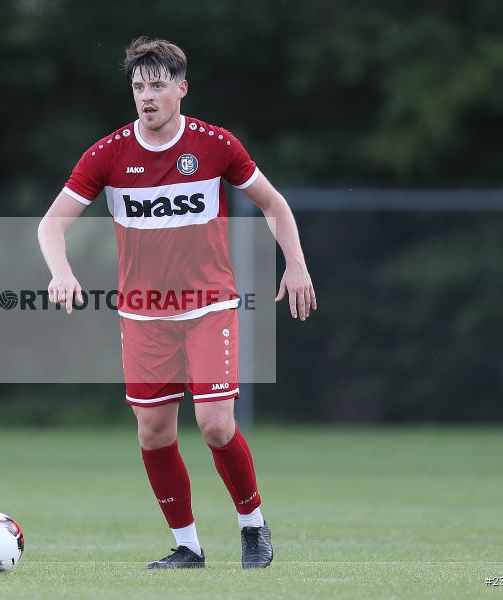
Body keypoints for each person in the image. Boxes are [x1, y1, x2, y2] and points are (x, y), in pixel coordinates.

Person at [37, 38, 316, 568]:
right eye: (139, 87)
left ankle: (253, 527)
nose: (147, 96)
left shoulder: (215, 146)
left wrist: (296, 264)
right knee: (154, 431)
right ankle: (187, 545)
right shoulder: (107, 154)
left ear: (181, 89)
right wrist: (61, 271)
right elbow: (52, 225)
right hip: (143, 314)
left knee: (214, 423)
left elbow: (273, 203)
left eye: (158, 85)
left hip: (210, 306)